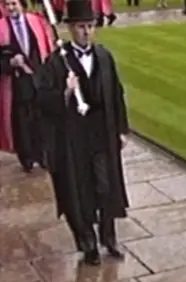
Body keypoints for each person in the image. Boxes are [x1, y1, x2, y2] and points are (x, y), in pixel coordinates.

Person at [35, 0, 130, 266]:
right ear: (70, 28)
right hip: (72, 138)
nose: (86, 32)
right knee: (80, 190)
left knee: (105, 185)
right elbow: (41, 99)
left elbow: (116, 93)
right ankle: (87, 242)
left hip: (101, 133)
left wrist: (121, 129)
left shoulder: (103, 56)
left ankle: (108, 237)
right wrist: (65, 91)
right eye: (80, 27)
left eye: (89, 26)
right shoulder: (56, 62)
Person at [0, 0, 55, 171]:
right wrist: (10, 63)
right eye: (7, 4)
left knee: (41, 117)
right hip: (16, 82)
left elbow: (47, 48)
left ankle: (43, 154)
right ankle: (27, 157)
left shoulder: (36, 22)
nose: (10, 8)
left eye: (13, 3)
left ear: (22, 4)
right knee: (21, 120)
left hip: (38, 78)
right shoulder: (1, 28)